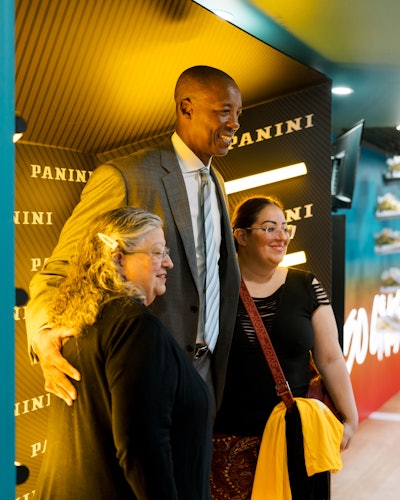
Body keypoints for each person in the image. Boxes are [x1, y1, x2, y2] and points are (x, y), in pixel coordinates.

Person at [25, 65, 242, 413]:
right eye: (224, 111)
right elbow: (59, 271)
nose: (234, 123)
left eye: (238, 113)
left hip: (205, 375)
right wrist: (44, 333)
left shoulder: (216, 182)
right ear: (186, 108)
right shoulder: (124, 177)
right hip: (143, 379)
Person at [35, 207, 213, 499]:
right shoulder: (135, 325)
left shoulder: (82, 319)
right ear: (118, 259)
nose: (168, 262)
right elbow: (142, 445)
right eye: (157, 252)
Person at [211, 195, 358, 499]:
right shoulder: (215, 288)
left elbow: (330, 358)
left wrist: (350, 417)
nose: (282, 236)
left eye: (284, 227)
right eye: (269, 228)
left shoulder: (306, 286)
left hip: (297, 436)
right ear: (240, 236)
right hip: (228, 440)